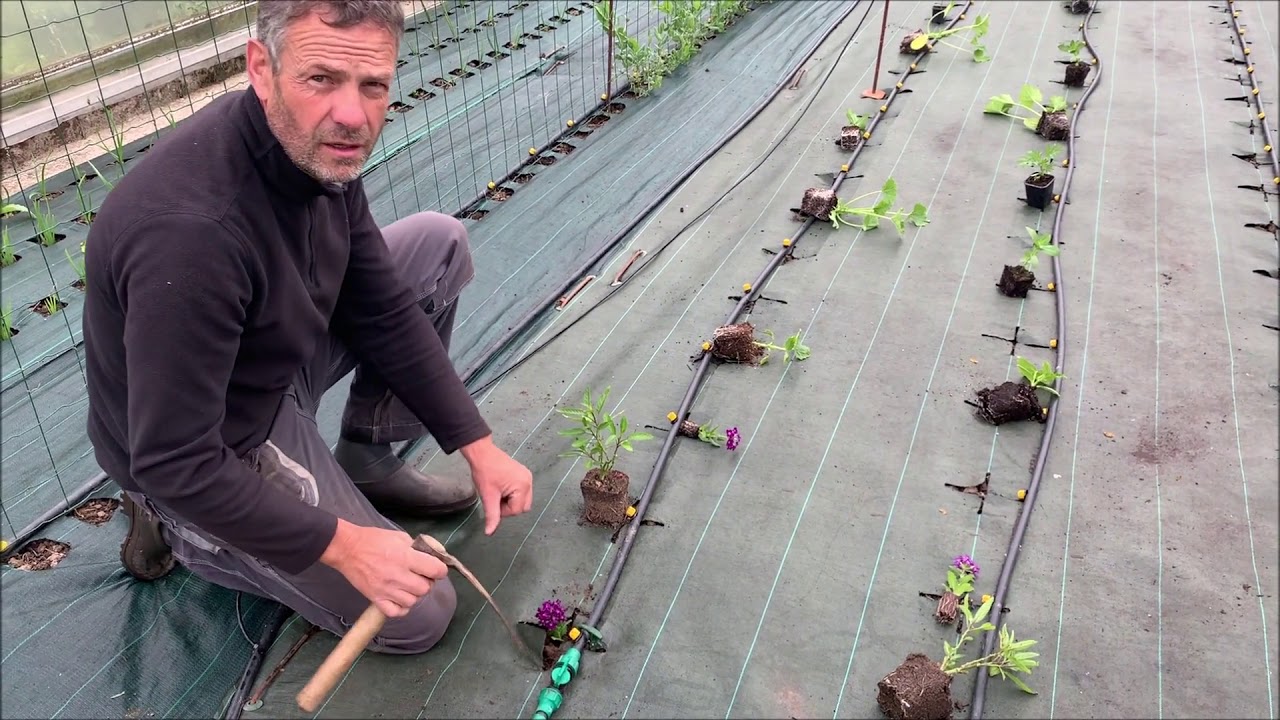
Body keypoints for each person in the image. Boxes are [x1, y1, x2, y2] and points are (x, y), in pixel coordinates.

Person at [81, 0, 533, 655]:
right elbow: (175, 459)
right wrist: (345, 545)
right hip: (211, 448)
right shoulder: (193, 235)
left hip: (268, 359)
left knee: (436, 242)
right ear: (261, 69)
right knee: (417, 613)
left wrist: (477, 443)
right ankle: (174, 527)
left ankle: (368, 457)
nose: (353, 114)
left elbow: (379, 303)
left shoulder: (316, 150)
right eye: (321, 79)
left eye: (372, 84)